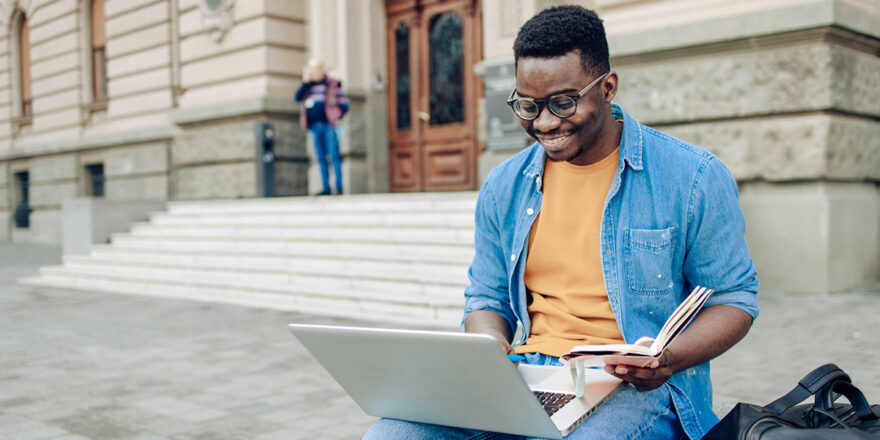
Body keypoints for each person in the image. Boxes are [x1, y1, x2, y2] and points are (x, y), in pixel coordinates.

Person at [364, 5, 758, 440]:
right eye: (527, 106)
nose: (545, 123)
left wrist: (668, 359)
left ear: (607, 87)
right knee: (393, 435)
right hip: (525, 375)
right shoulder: (504, 186)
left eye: (563, 103)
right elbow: (485, 298)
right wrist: (489, 349)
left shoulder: (693, 177)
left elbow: (733, 299)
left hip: (632, 387)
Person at [295, 58, 349, 195]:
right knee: (321, 158)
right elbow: (297, 97)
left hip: (329, 126)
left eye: (316, 69)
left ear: (322, 69)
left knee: (334, 156)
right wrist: (304, 82)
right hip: (314, 127)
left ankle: (339, 186)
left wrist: (336, 117)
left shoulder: (331, 84)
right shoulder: (308, 87)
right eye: (311, 69)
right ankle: (326, 188)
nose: (313, 72)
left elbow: (343, 103)